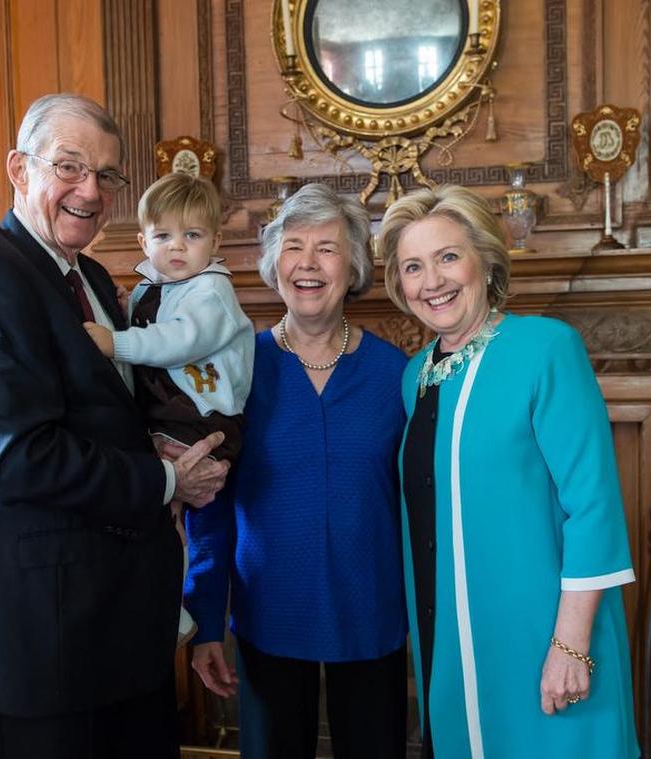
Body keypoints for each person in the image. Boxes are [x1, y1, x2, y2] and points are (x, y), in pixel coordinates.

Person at [0, 93, 228, 759]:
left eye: (106, 175)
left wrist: (172, 447)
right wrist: (165, 477)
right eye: (69, 167)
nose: (89, 192)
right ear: (18, 169)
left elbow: (110, 414)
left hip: (124, 616)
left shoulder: (89, 274)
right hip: (47, 628)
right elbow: (19, 459)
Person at [376, 185, 639, 759]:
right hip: (449, 635)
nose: (433, 281)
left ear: (486, 262)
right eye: (413, 267)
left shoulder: (546, 348)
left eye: (448, 257)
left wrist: (570, 645)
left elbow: (592, 503)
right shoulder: (416, 375)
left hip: (544, 633)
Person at [185, 183, 409, 759]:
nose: (308, 263)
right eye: (294, 246)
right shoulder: (235, 371)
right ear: (273, 264)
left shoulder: (396, 376)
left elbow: (419, 509)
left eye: (328, 249)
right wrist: (206, 619)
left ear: (355, 265)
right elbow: (210, 507)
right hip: (270, 613)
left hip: (373, 615)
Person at [84, 171, 254, 645]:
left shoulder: (211, 292)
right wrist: (125, 306)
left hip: (204, 417)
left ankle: (173, 607)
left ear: (216, 240)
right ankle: (161, 600)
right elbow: (152, 315)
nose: (177, 248)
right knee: (159, 511)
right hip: (170, 412)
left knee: (165, 511)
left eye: (193, 235)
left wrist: (115, 342)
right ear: (142, 240)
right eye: (163, 236)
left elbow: (178, 340)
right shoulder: (157, 285)